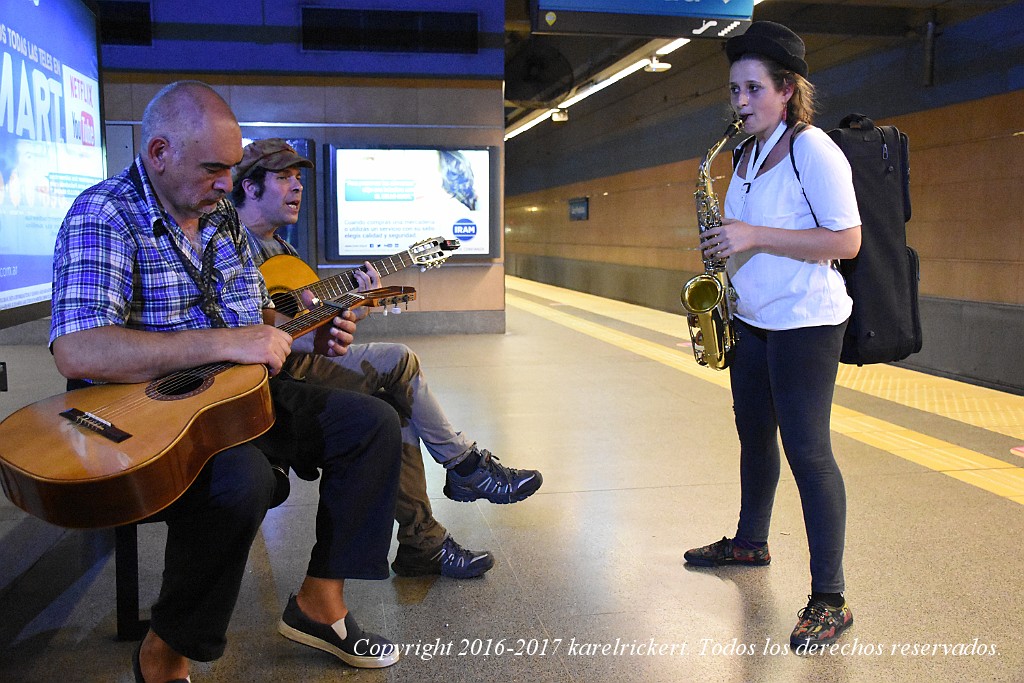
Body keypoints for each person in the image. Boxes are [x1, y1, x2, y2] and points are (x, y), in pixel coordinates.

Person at [50, 81, 405, 681]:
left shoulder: (222, 224)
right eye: (213, 169)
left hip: (236, 395)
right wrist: (224, 342)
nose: (225, 185)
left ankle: (320, 603)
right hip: (149, 418)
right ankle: (163, 655)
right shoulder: (104, 213)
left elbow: (253, 324)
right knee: (240, 481)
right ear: (158, 152)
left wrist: (298, 334)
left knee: (373, 424)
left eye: (231, 170)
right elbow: (78, 347)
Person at [231, 138, 545, 578]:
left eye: (299, 178)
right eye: (284, 178)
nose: (297, 188)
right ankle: (464, 464)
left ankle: (423, 544)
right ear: (249, 187)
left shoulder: (283, 252)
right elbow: (254, 324)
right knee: (399, 358)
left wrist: (353, 305)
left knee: (394, 413)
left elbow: (312, 324)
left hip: (301, 364)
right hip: (267, 382)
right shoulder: (230, 249)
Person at [681, 22, 862, 651]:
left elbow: (846, 241)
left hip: (807, 324)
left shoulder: (813, 150)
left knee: (808, 451)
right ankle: (750, 542)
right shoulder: (746, 153)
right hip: (754, 320)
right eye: (733, 89)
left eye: (753, 88)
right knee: (754, 435)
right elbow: (751, 228)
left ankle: (830, 596)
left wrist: (753, 236)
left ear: (787, 90)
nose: (739, 101)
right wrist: (726, 242)